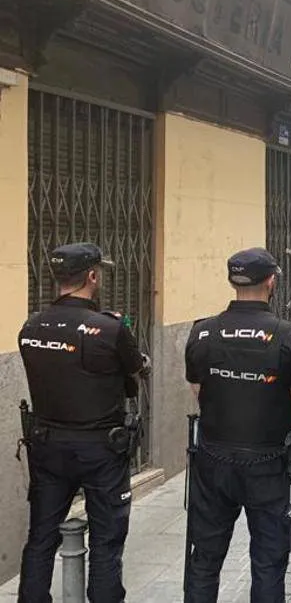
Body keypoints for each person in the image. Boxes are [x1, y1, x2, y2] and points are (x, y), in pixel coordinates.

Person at [18, 243, 149, 603]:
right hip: (101, 449)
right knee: (107, 540)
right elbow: (135, 369)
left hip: (48, 445)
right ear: (92, 276)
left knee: (41, 537)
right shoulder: (109, 329)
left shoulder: (31, 327)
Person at [183, 248, 291, 603]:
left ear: (233, 282)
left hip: (213, 458)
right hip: (266, 461)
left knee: (204, 560)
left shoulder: (202, 332)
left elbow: (198, 391)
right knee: (268, 562)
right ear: (271, 281)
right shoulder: (289, 337)